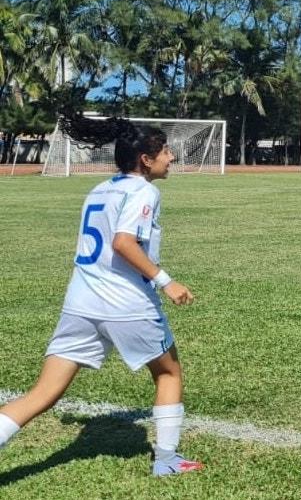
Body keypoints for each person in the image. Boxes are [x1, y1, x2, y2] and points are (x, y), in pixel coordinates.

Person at [0, 106, 201, 477]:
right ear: (146, 159)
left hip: (80, 302)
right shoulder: (143, 191)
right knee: (168, 373)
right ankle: (168, 461)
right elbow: (124, 242)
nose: (171, 158)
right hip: (125, 302)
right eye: (166, 152)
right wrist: (165, 281)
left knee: (42, 393)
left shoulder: (99, 188)